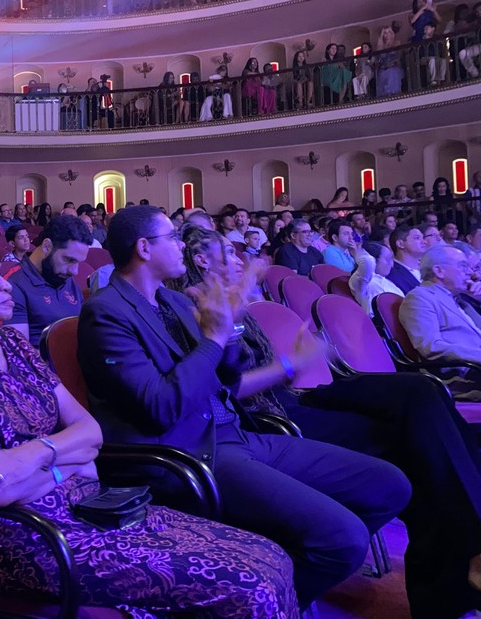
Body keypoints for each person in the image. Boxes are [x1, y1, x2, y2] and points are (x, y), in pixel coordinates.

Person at [0, 238, 301, 619]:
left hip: (98, 506)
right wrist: (72, 462)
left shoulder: (12, 345)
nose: (6, 283)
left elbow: (90, 432)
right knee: (250, 585)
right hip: (32, 537)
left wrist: (34, 455)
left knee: (271, 556)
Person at [77, 206, 410, 607]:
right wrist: (214, 339)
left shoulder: (174, 301)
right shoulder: (106, 312)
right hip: (188, 453)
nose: (181, 244)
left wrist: (231, 328)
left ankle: (277, 579)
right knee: (344, 539)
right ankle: (259, 600)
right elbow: (160, 407)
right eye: (172, 237)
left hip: (237, 434)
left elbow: (227, 380)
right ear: (144, 248)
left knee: (388, 485)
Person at [182, 227, 481, 619]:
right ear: (201, 260)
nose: (240, 260)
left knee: (423, 391)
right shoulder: (192, 307)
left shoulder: (236, 300)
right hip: (269, 417)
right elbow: (224, 390)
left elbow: (272, 369)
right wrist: (291, 363)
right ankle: (457, 575)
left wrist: (303, 358)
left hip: (295, 395)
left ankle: (469, 554)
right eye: (228, 252)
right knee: (417, 446)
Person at [5, 215, 91, 347]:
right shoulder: (13, 284)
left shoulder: (65, 277)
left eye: (78, 262)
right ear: (47, 246)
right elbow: (18, 353)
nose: (75, 271)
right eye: (69, 260)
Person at [400, 244, 481, 368]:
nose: (471, 273)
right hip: (464, 371)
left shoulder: (460, 299)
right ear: (439, 271)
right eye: (463, 266)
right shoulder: (420, 298)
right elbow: (431, 347)